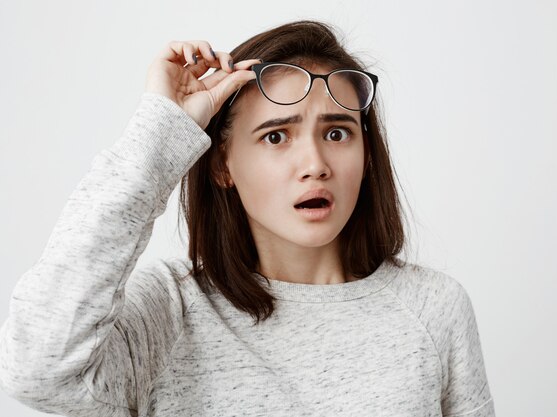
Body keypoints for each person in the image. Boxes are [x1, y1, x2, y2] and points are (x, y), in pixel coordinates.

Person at [0, 20, 495, 417]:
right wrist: (161, 134)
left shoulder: (434, 308)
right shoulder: (170, 310)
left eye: (339, 133)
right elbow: (36, 370)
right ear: (221, 165)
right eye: (277, 137)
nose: (316, 164)